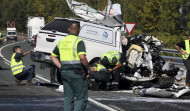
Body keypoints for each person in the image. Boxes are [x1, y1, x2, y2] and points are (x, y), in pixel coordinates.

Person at [50, 22, 91, 111]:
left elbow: (52, 56)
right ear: (79, 30)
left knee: (68, 98)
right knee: (82, 98)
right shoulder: (78, 41)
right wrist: (88, 69)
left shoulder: (62, 41)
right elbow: (82, 57)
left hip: (64, 72)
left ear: (69, 29)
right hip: (76, 73)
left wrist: (60, 67)